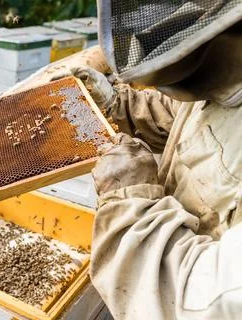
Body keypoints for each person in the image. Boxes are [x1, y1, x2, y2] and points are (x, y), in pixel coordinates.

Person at [63, 1, 242, 319]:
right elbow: (188, 114)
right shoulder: (226, 70)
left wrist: (131, 205)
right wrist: (118, 103)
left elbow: (203, 302)